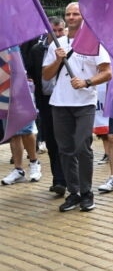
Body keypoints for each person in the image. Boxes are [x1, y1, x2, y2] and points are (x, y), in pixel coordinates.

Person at [42, 2, 112, 212]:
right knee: (65, 149)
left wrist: (87, 82)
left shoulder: (94, 42)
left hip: (84, 103)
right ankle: (73, 193)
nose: (71, 17)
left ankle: (87, 192)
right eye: (68, 14)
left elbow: (107, 72)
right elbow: (46, 75)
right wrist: (58, 59)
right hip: (60, 103)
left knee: (82, 146)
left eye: (76, 14)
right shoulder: (57, 43)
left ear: (84, 17)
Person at [23, 17, 65, 194]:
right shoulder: (37, 50)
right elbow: (33, 75)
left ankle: (72, 178)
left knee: (67, 141)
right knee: (52, 141)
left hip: (66, 101)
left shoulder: (71, 48)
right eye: (53, 31)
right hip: (46, 101)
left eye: (60, 31)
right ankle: (59, 180)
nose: (56, 34)